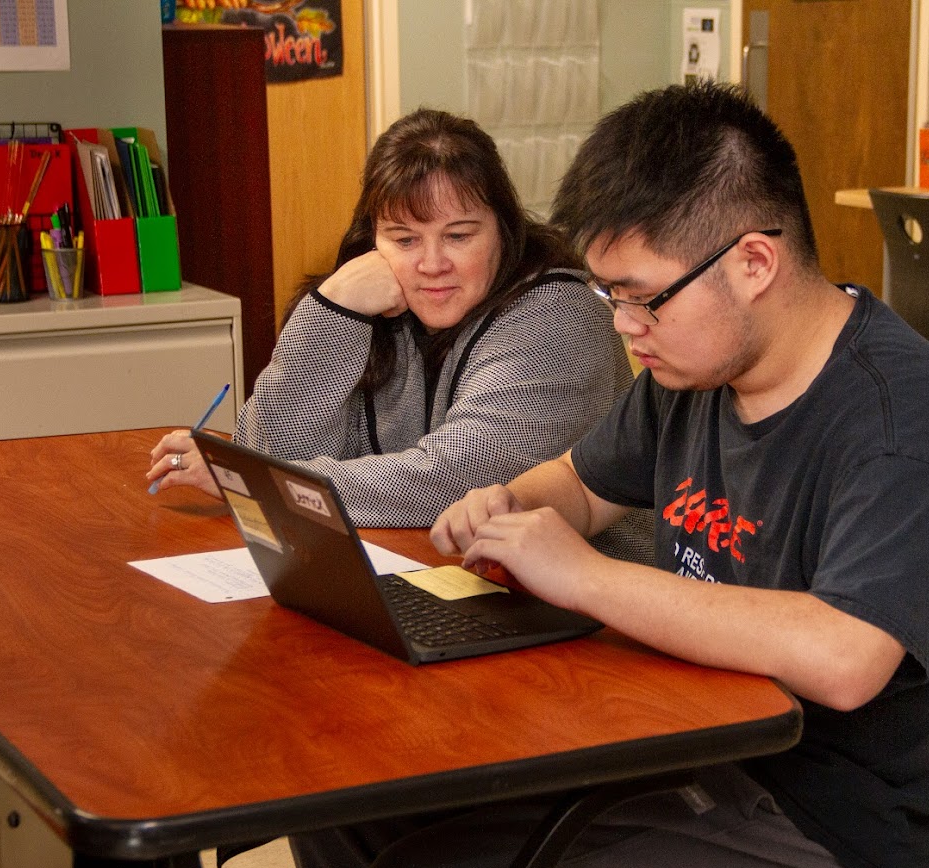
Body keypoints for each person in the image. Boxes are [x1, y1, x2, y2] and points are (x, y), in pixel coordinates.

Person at [291, 83, 929, 868]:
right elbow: (578, 484)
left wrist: (584, 577)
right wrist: (504, 502)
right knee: (343, 805)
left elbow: (846, 659)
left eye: (640, 296)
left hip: (820, 820)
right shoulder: (695, 369)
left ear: (752, 263)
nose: (625, 325)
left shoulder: (897, 419)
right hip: (683, 742)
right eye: (609, 296)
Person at [146, 109, 645, 559]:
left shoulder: (560, 315)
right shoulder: (367, 302)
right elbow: (272, 449)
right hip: (425, 570)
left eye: (459, 236)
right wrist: (332, 308)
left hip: (592, 613)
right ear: (372, 238)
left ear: (504, 230)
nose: (431, 265)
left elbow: (456, 479)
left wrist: (256, 481)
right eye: (404, 239)